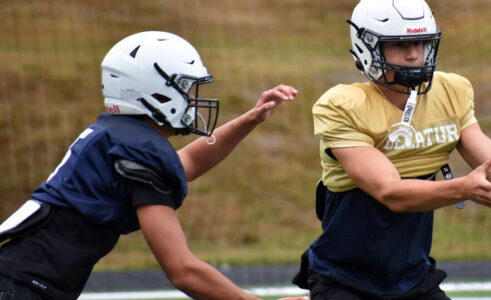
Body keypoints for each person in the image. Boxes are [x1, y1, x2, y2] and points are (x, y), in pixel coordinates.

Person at [0, 31, 301, 300]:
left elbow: (189, 161)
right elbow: (183, 270)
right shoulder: (136, 150)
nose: (194, 101)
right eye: (188, 88)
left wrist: (250, 119)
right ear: (156, 91)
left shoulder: (118, 136)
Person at [292, 1, 491, 299]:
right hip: (344, 276)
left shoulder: (451, 91)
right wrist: (463, 189)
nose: (414, 54)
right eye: (400, 44)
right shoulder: (342, 106)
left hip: (413, 275)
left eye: (420, 42)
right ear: (367, 47)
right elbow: (389, 192)